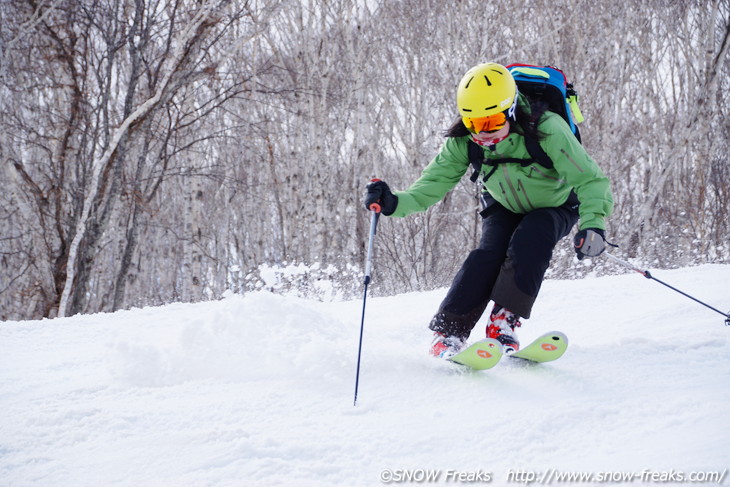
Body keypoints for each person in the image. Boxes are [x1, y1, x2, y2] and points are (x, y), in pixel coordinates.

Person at [363, 62, 614, 358]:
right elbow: (431, 185)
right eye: (474, 124)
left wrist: (593, 224)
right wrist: (394, 203)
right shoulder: (465, 141)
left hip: (556, 204)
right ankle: (449, 333)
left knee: (533, 235)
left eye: (493, 121)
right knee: (488, 255)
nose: (484, 133)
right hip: (503, 205)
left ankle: (503, 322)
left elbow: (590, 179)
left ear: (510, 110)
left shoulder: (547, 129)